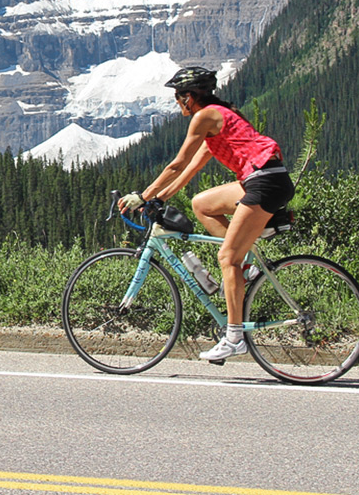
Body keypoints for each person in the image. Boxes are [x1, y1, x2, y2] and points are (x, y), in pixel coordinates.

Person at [117, 67, 294, 362]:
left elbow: (177, 162)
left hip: (265, 182)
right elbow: (189, 171)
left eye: (177, 96)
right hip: (264, 179)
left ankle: (235, 337)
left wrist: (143, 196)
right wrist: (159, 197)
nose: (176, 102)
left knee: (226, 258)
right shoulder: (218, 121)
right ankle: (245, 264)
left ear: (190, 96)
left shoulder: (205, 116)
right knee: (202, 204)